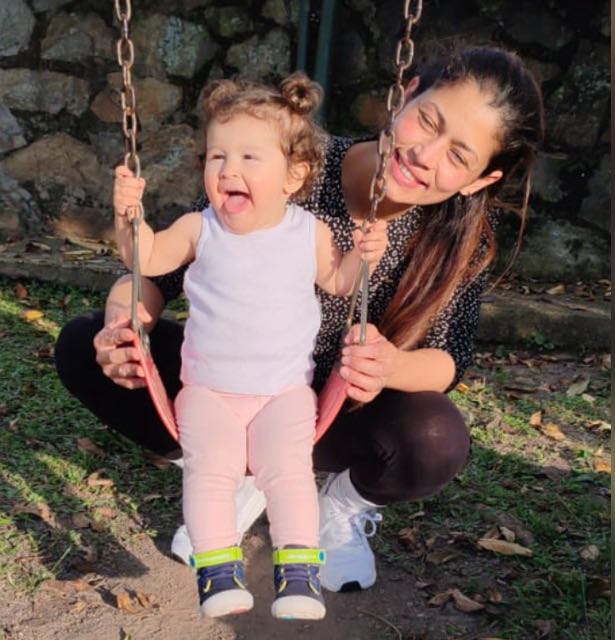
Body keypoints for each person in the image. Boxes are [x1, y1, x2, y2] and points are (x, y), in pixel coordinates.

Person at [55, 45, 544, 598]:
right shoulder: (286, 154)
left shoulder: (458, 241)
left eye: (459, 156)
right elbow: (157, 274)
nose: (426, 155)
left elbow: (449, 359)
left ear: (480, 179)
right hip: (228, 381)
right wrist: (123, 327)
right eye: (428, 121)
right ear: (406, 95)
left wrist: (390, 365)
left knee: (435, 436)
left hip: (331, 408)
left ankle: (337, 506)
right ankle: (231, 473)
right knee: (82, 344)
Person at [112, 72, 388, 620]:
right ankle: (217, 570)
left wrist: (365, 256)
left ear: (294, 175)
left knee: (288, 474)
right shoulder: (199, 228)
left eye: (248, 158)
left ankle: (298, 574)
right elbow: (146, 257)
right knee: (209, 472)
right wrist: (128, 217)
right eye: (217, 156)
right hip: (208, 392)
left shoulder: (308, 232)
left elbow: (340, 282)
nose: (228, 170)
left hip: (283, 393)